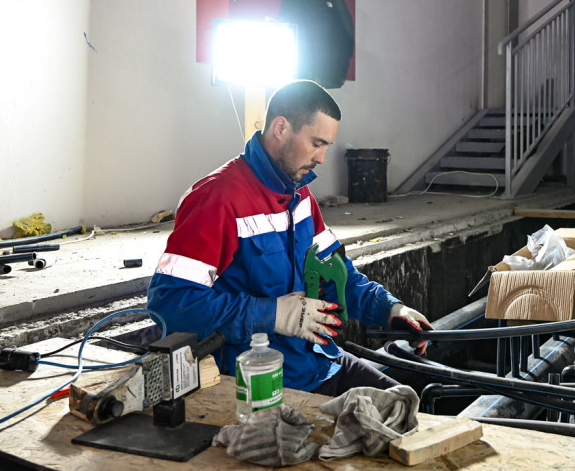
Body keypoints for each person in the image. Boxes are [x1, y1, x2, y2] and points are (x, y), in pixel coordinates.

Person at [147, 79, 432, 397]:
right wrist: (273, 315)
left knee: (406, 406)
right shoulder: (216, 199)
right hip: (262, 380)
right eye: (317, 143)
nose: (322, 158)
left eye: (327, 146)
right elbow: (171, 305)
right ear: (281, 128)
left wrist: (390, 310)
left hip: (319, 362)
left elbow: (336, 275)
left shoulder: (300, 196)